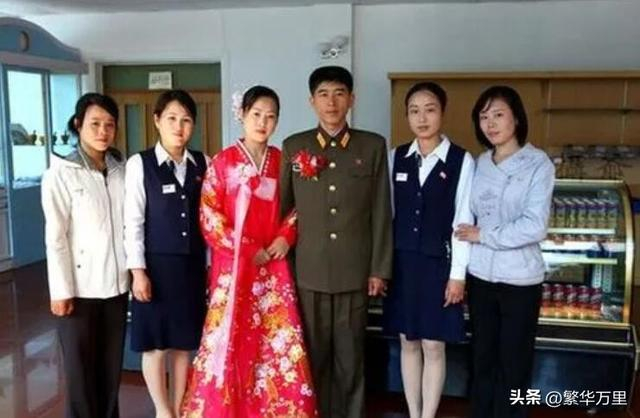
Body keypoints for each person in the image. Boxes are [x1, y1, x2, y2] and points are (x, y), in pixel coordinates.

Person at [180, 86, 317, 418]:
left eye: (270, 117)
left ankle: (276, 408)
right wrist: (246, 248)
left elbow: (298, 207)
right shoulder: (222, 162)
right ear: (241, 114)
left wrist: (285, 236)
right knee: (230, 337)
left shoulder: (282, 162)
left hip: (274, 265)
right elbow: (209, 215)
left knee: (275, 338)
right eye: (256, 114)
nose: (262, 122)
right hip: (235, 267)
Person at [280, 66, 393, 418]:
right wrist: (285, 271)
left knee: (351, 359)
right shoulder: (294, 146)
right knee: (312, 358)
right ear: (311, 101)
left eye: (339, 93)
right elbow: (284, 213)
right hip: (308, 272)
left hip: (353, 272)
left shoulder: (371, 146)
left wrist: (379, 269)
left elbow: (381, 211)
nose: (332, 102)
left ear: (351, 99)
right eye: (324, 94)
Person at [455, 85, 555, 418]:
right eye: (484, 117)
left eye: (498, 115)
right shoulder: (480, 163)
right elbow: (467, 214)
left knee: (515, 363)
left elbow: (534, 226)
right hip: (481, 277)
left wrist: (484, 235)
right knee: (482, 359)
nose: (490, 124)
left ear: (517, 118)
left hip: (520, 281)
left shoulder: (538, 164)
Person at [383, 82, 474, 418]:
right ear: (407, 116)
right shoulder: (396, 158)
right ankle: (413, 411)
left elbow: (463, 221)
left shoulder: (462, 160)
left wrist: (458, 275)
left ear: (442, 113)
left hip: (440, 266)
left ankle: (428, 414)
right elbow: (388, 216)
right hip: (404, 263)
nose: (422, 118)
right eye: (414, 111)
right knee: (408, 341)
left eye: (430, 109)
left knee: (434, 344)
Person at [42, 93, 128, 418]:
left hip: (116, 287)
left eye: (109, 124)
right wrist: (60, 291)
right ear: (78, 125)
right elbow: (56, 237)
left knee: (110, 372)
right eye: (95, 124)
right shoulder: (62, 173)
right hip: (79, 290)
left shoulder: (121, 169)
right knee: (80, 375)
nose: (103, 131)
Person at [124, 89, 208, 418]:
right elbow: (133, 222)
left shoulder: (203, 162)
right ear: (157, 120)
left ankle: (178, 407)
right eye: (171, 118)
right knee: (156, 345)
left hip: (191, 267)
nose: (179, 126)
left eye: (186, 120)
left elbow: (211, 218)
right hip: (155, 268)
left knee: (184, 345)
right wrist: (138, 272)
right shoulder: (140, 164)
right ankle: (163, 410)